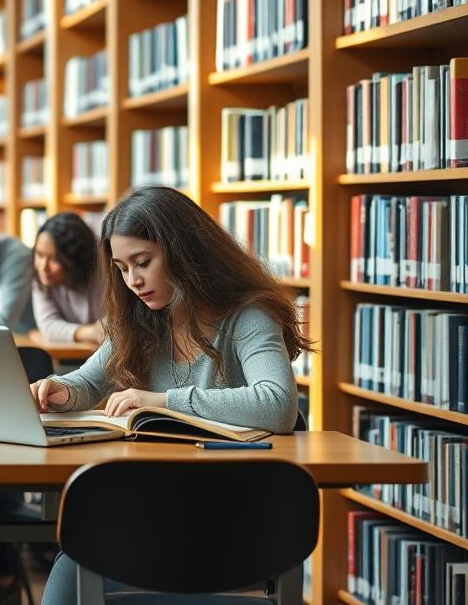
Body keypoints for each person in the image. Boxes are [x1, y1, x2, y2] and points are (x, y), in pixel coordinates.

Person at [31, 186, 307, 604]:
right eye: (122, 268)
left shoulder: (247, 316)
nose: (133, 281)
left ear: (184, 251)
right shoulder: (142, 320)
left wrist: (162, 401)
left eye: (143, 263)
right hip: (152, 514)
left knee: (79, 560)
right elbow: (88, 382)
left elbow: (278, 404)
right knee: (73, 561)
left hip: (237, 524)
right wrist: (59, 391)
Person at [30, 211, 104, 343]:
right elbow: (48, 326)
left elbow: (114, 325)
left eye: (54, 259)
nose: (43, 267)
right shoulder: (41, 278)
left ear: (74, 260)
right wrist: (91, 332)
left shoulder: (103, 271)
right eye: (39, 255)